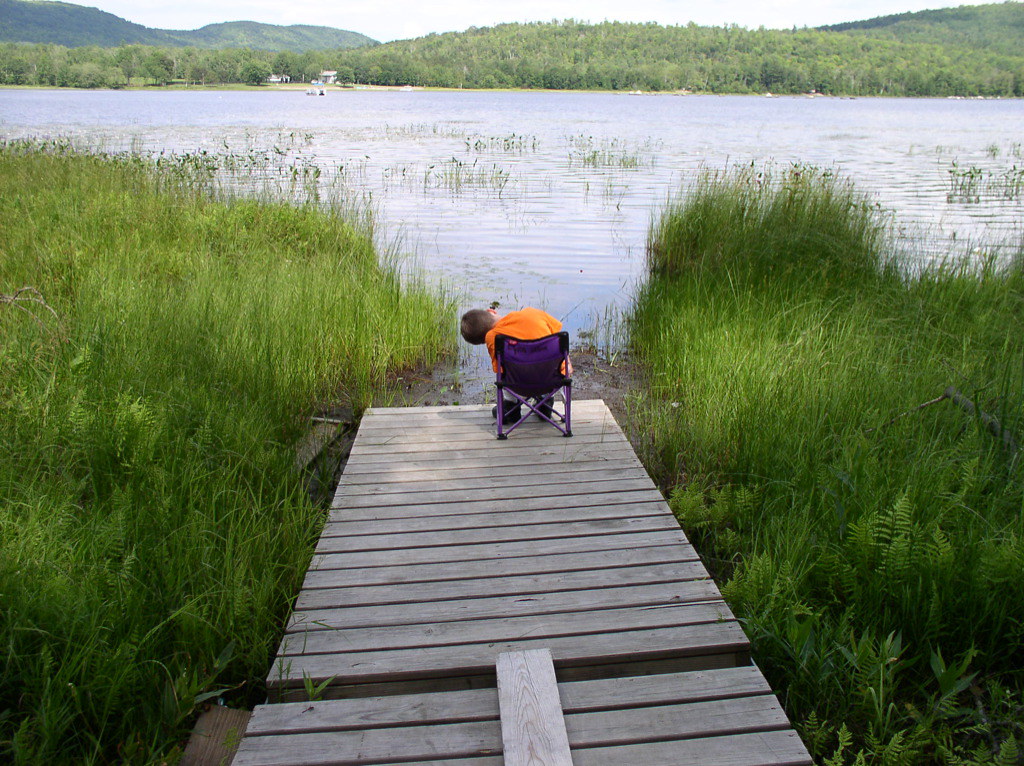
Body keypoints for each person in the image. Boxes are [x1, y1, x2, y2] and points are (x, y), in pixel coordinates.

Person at [460, 307, 570, 423]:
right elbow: (559, 338)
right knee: (550, 362)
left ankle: (511, 406)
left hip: (517, 385)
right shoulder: (532, 313)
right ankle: (545, 404)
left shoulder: (493, 337)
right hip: (550, 381)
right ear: (491, 311)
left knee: (502, 369)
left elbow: (499, 370)